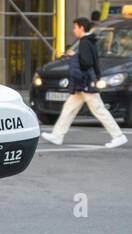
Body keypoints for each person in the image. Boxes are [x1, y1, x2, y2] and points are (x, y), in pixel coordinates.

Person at [41, 17, 128, 148]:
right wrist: (97, 76)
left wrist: (73, 56)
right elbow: (95, 61)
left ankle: (118, 136)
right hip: (84, 83)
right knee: (69, 108)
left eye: (75, 27)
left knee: (99, 110)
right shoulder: (90, 41)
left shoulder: (84, 42)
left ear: (81, 28)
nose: (74, 30)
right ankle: (57, 135)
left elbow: (87, 62)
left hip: (84, 83)